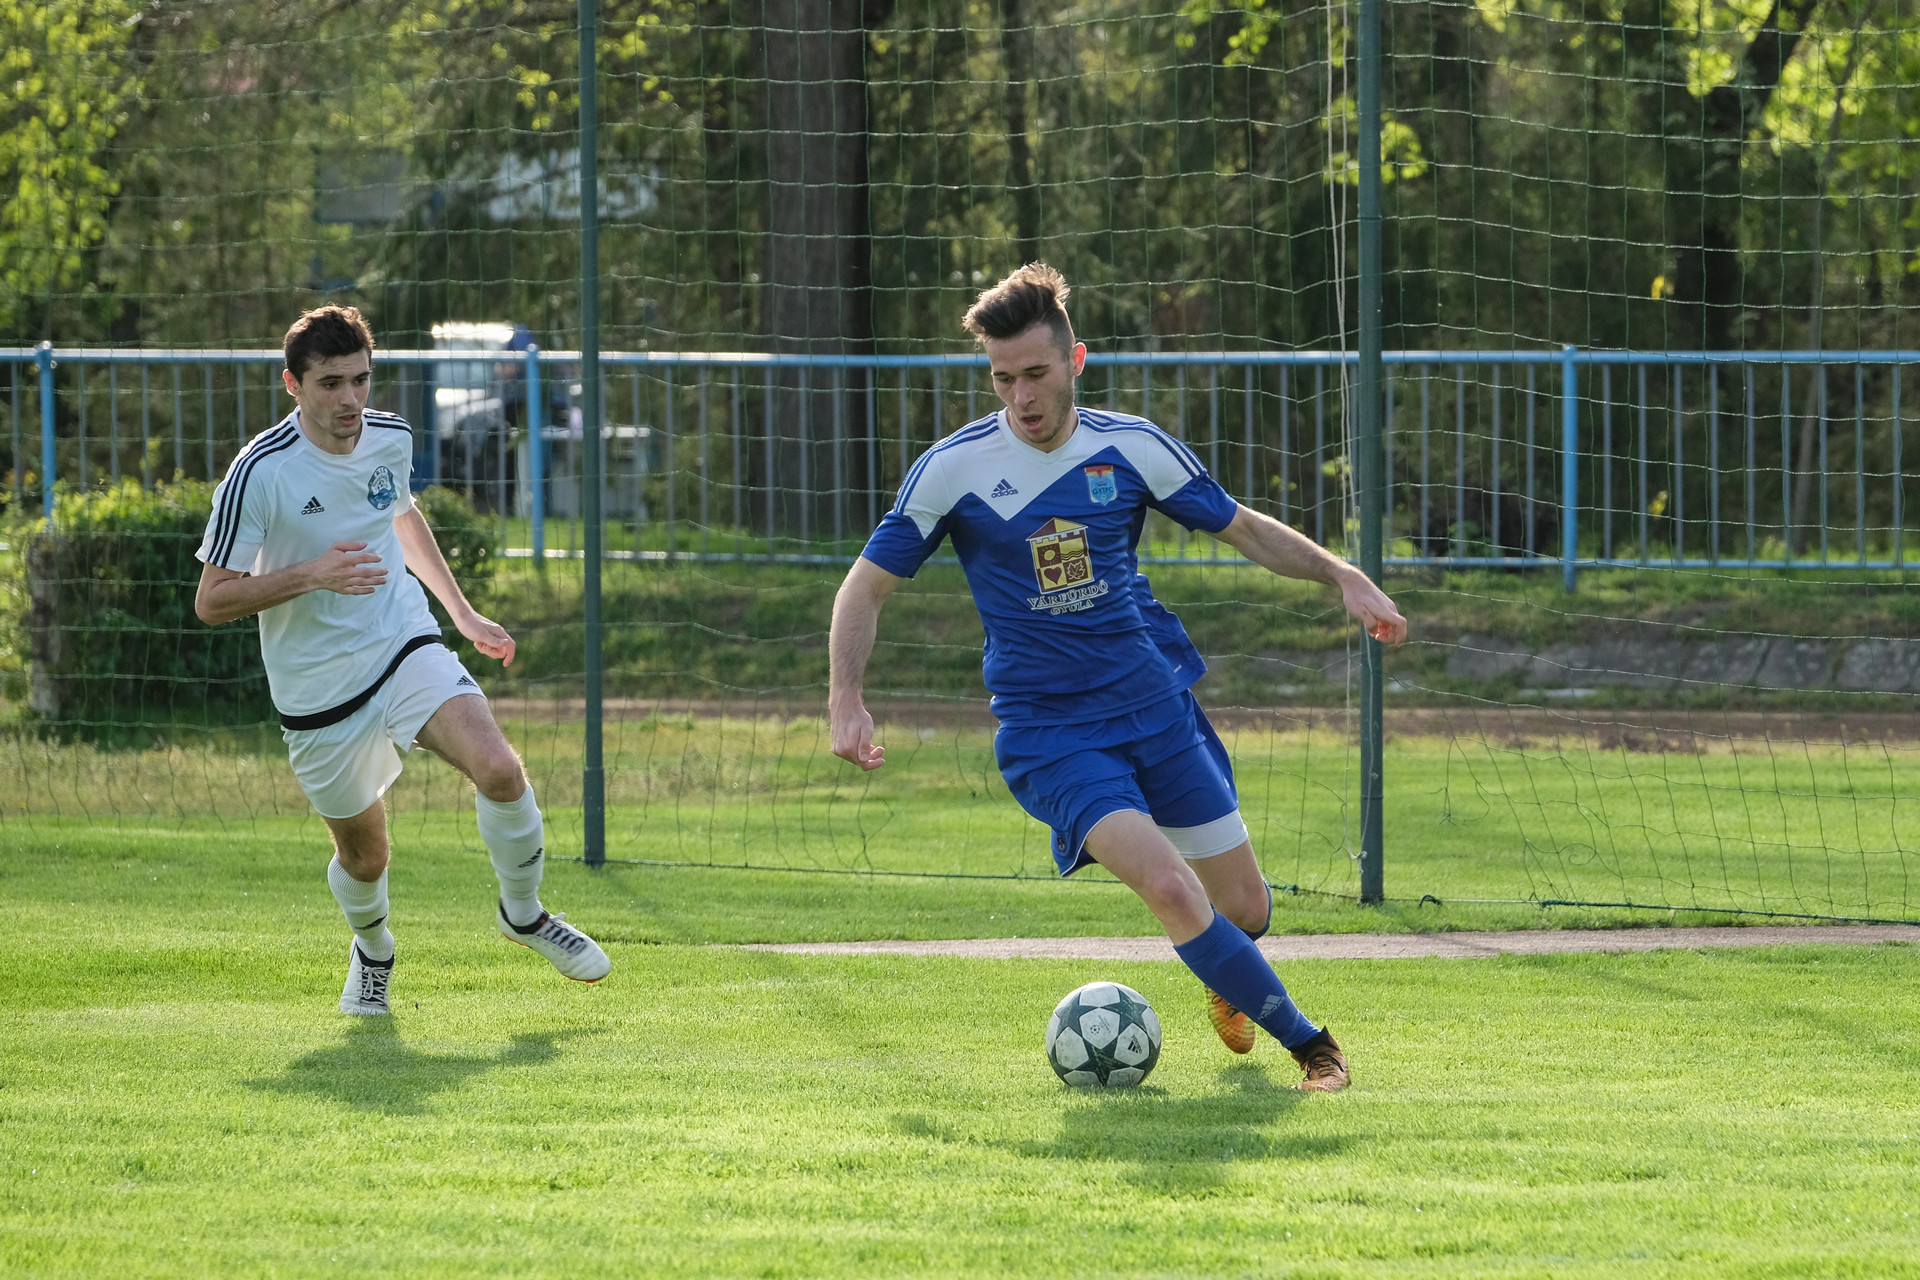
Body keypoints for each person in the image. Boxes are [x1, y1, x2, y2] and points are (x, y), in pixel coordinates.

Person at [828, 265, 1406, 1090]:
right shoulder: (954, 469)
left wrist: (1340, 574)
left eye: (1036, 373)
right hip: (1051, 732)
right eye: (1002, 379)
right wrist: (846, 698)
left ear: (1076, 361)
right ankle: (1315, 1049)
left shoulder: (1130, 446)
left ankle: (1228, 974)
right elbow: (864, 587)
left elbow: (1243, 528)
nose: (1021, 397)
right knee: (1170, 887)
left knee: (1245, 910)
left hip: (1154, 707)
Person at [194, 304, 609, 1015]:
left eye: (360, 379)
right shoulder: (259, 471)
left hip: (401, 642)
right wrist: (312, 573)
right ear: (292, 384)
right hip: (316, 689)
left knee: (500, 768)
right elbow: (212, 600)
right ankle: (374, 949)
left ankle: (523, 912)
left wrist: (463, 614)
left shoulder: (390, 436)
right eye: (330, 384)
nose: (350, 399)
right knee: (366, 858)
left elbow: (401, 514)